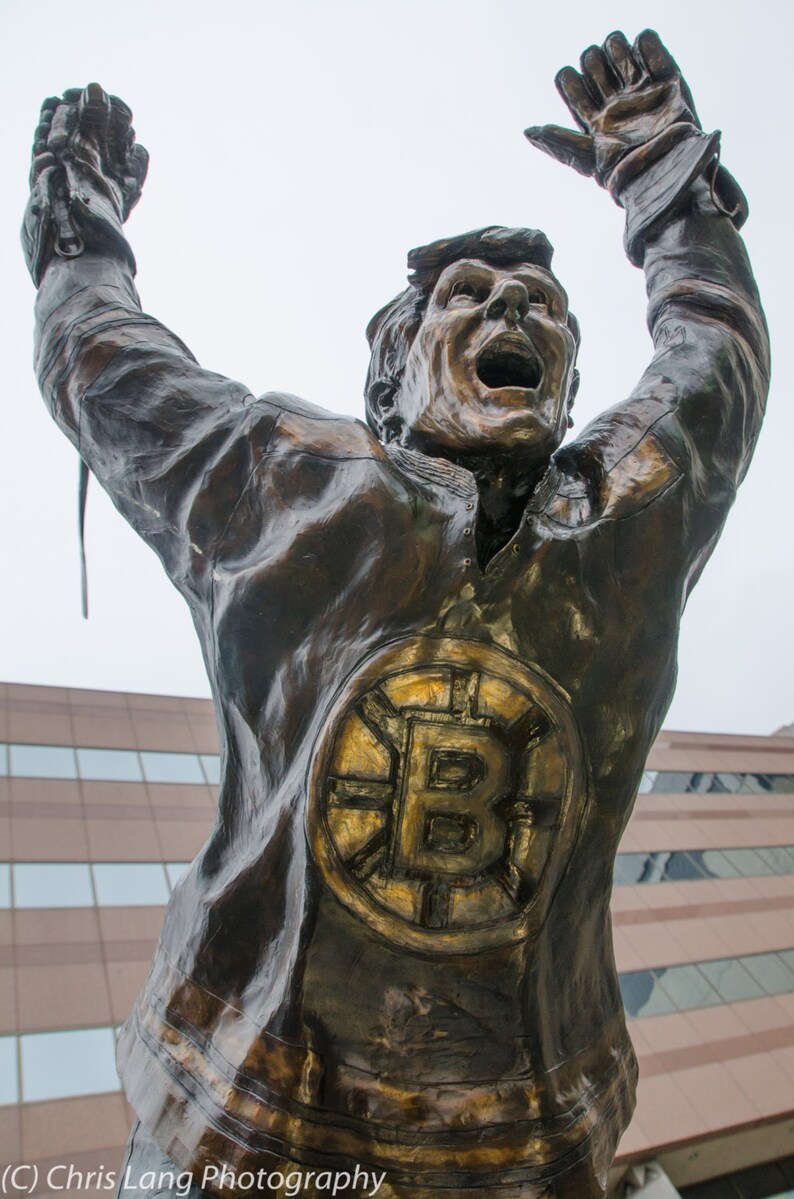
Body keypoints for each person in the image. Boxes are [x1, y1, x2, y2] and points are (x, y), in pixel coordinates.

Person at [22, 30, 768, 1199]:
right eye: (465, 298)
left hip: (521, 1154)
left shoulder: (632, 512)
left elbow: (714, 354)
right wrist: (81, 227)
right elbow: (104, 361)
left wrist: (668, 184)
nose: (509, 311)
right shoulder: (283, 482)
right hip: (235, 1130)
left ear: (567, 381)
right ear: (392, 378)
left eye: (537, 305)